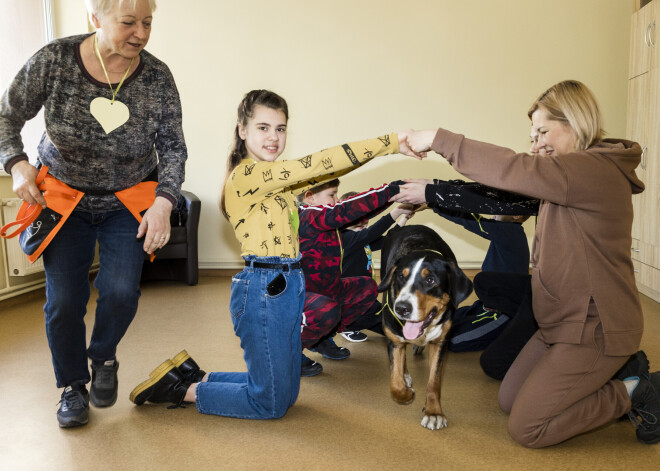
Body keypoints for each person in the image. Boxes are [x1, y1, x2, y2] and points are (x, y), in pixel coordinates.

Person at [129, 89, 423, 418]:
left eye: (280, 129)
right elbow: (323, 161)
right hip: (263, 288)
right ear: (242, 130)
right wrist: (393, 144)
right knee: (269, 404)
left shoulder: (276, 182)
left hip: (288, 284)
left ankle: (194, 376)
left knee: (285, 394)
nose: (274, 137)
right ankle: (181, 389)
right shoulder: (248, 175)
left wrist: (392, 191)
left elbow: (326, 172)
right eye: (263, 127)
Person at [398, 80, 659, 447]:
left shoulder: (592, 171)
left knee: (528, 429)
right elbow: (500, 194)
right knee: (508, 399)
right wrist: (434, 191)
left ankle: (635, 390)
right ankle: (608, 373)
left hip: (596, 328)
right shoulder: (565, 177)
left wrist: (438, 139)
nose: (535, 144)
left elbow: (512, 168)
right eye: (532, 135)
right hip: (560, 323)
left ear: (574, 121)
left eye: (542, 131)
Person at [0, 0, 186, 428]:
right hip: (63, 199)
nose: (140, 32)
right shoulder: (55, 60)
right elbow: (6, 116)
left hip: (127, 199)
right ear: (94, 19)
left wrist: (164, 200)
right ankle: (72, 386)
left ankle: (103, 356)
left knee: (121, 292)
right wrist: (16, 162)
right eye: (128, 22)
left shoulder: (157, 77)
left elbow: (173, 148)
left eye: (147, 22)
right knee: (64, 302)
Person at [296, 181, 413, 376]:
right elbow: (355, 217)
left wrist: (398, 207)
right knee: (330, 310)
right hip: (308, 295)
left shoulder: (326, 223)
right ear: (310, 198)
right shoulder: (307, 217)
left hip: (329, 289)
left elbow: (361, 219)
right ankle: (292, 354)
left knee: (367, 287)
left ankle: (322, 338)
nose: (336, 200)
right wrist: (394, 197)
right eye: (332, 195)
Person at [338, 193, 414, 343]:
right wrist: (397, 211)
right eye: (356, 219)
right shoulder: (345, 238)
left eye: (364, 217)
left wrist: (404, 218)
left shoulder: (360, 238)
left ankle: (360, 323)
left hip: (365, 296)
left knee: (390, 322)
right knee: (379, 314)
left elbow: (388, 240)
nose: (362, 222)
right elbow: (373, 231)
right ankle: (345, 326)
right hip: (351, 300)